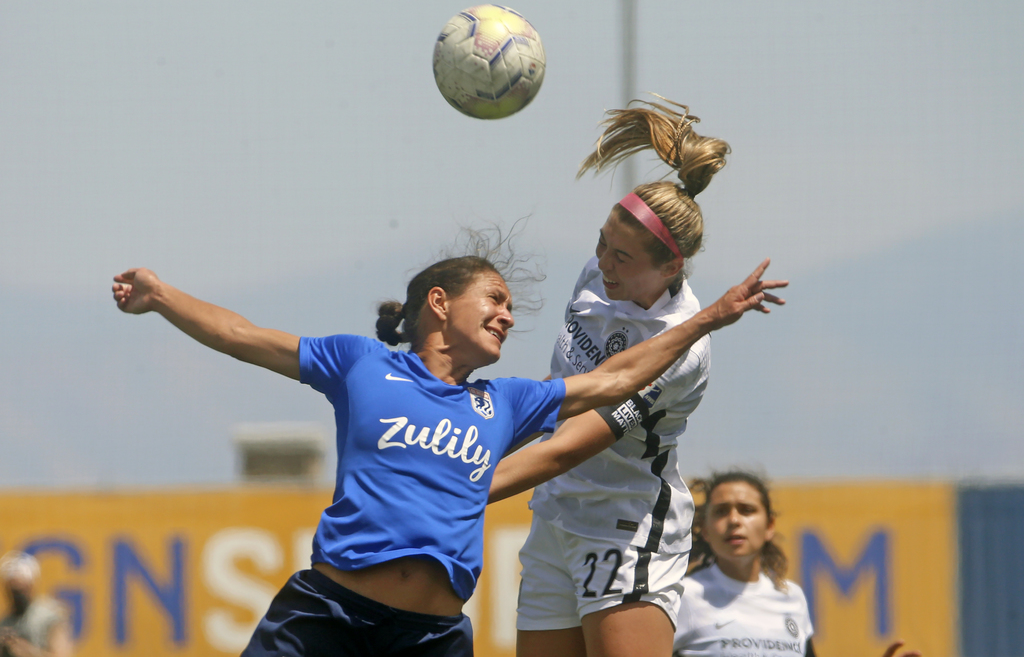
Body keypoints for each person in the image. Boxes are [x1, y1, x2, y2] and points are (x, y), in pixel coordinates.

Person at [111, 241, 786, 657]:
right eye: (494, 298)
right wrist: (161, 294)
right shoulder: (361, 364)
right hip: (327, 617)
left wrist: (707, 317)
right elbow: (240, 332)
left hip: (429, 639)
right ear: (440, 303)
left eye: (511, 307)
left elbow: (614, 378)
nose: (508, 315)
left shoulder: (506, 401)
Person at [488, 97, 737, 657]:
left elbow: (567, 445)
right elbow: (554, 400)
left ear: (670, 267)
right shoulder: (597, 277)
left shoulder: (680, 349)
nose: (604, 261)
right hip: (554, 515)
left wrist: (455, 488)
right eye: (602, 241)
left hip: (624, 528)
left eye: (622, 256)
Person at [674, 471, 922, 657]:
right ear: (704, 529)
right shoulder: (681, 596)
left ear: (770, 526)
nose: (734, 520)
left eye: (747, 510)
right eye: (721, 511)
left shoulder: (792, 598)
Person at [0, 552, 73, 657]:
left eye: (21, 589)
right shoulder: (6, 622)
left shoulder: (48, 616)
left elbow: (62, 654)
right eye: (13, 589)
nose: (17, 595)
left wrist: (28, 652)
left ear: (31, 586)